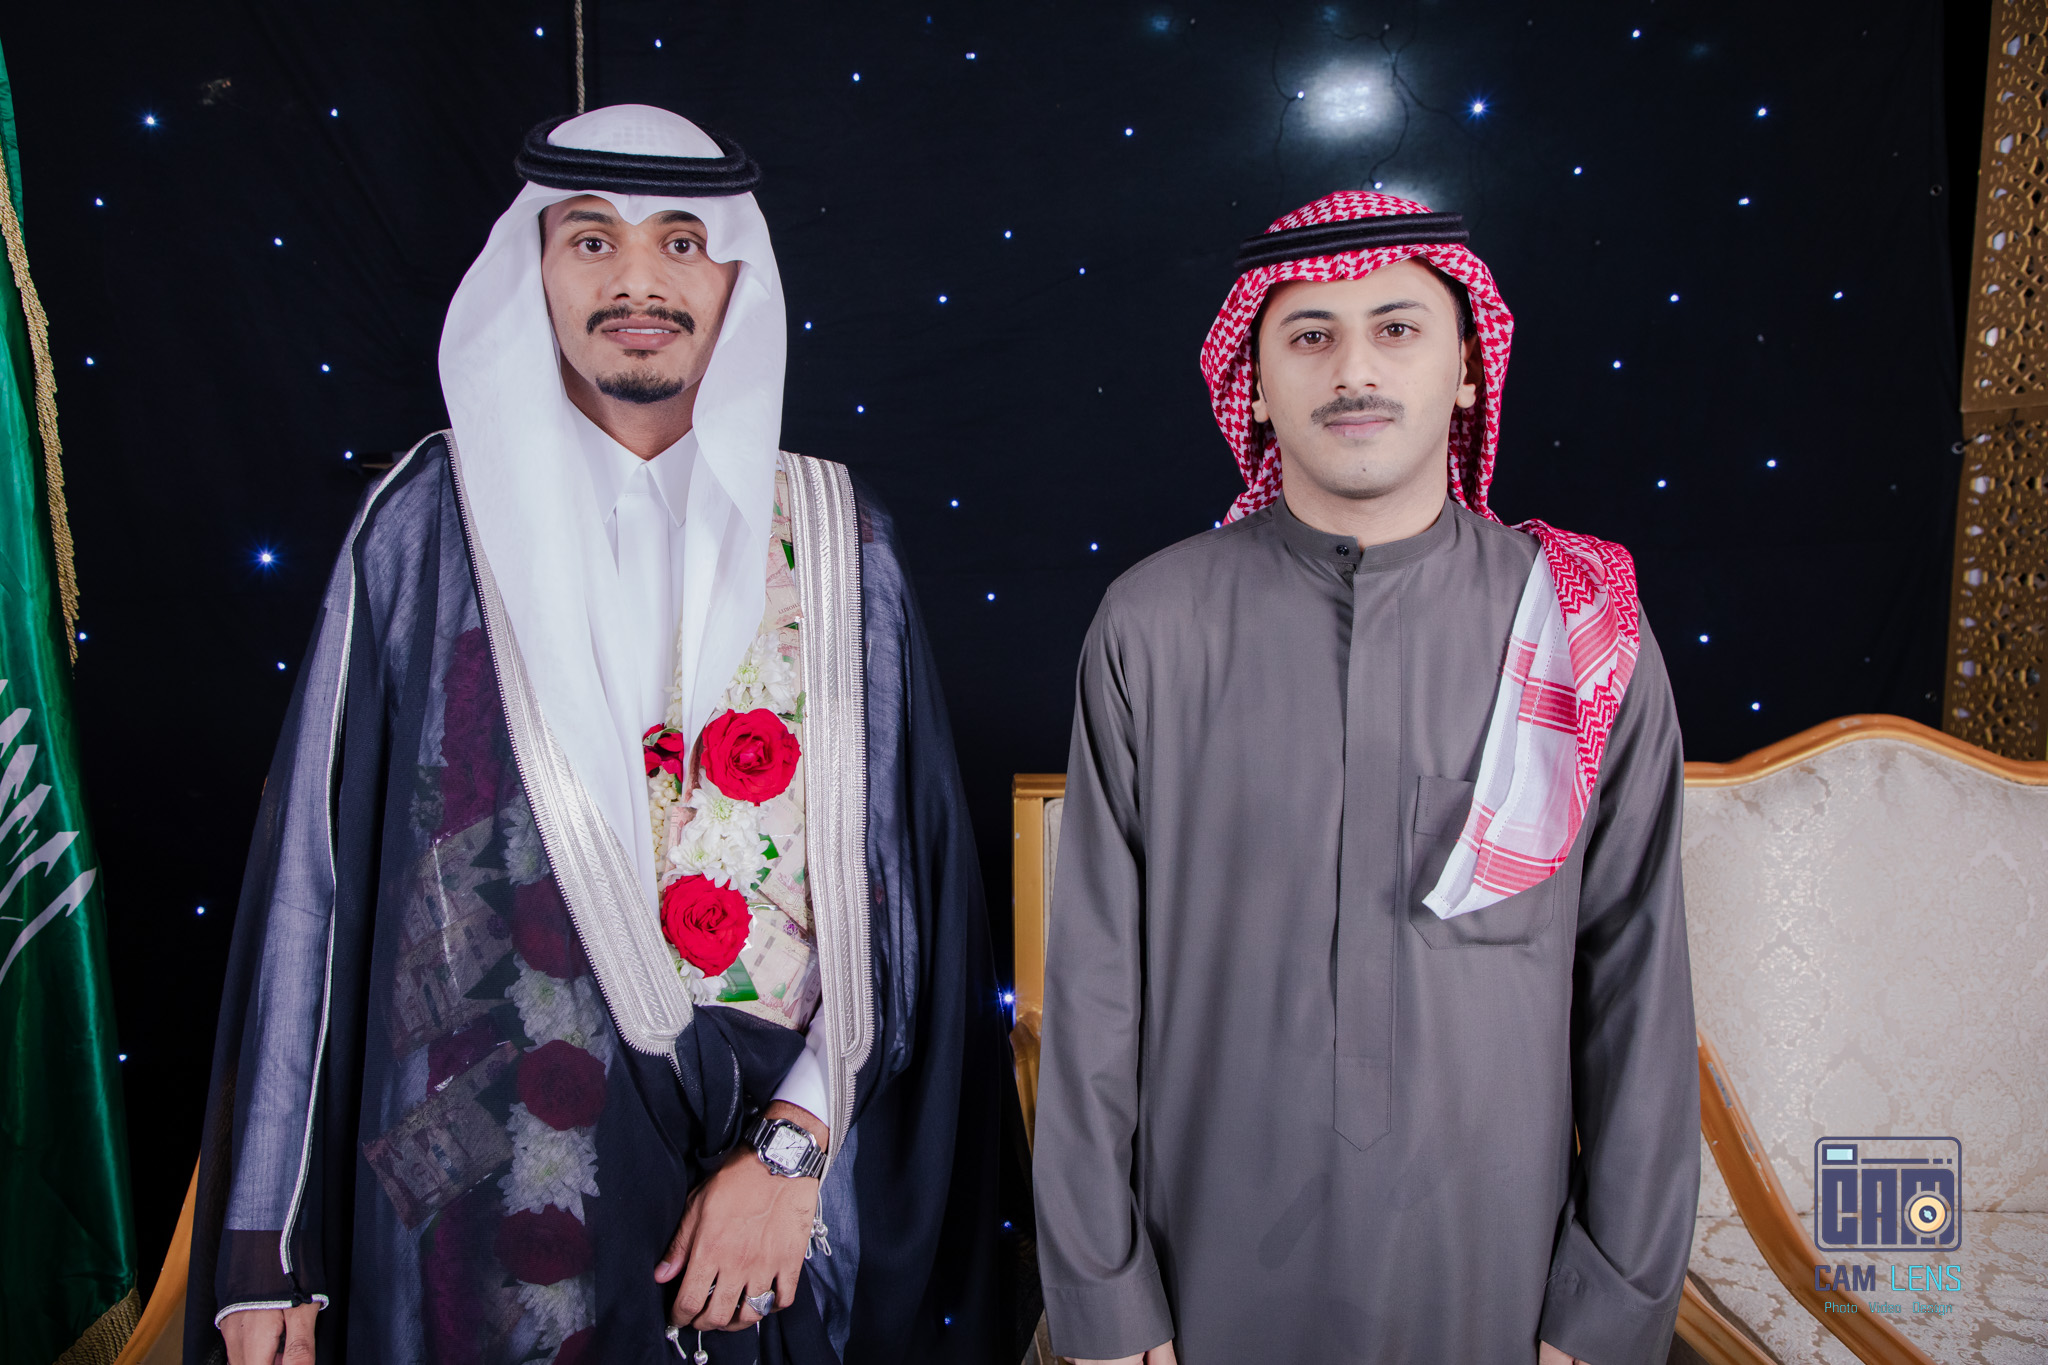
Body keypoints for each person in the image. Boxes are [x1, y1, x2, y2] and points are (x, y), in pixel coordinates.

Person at [188, 105, 1010, 1365]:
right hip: (496, 1211)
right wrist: (268, 1249)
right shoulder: (428, 522)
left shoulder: (839, 537)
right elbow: (316, 887)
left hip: (772, 1228)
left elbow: (907, 902)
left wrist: (789, 1159)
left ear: (734, 276)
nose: (638, 281)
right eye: (590, 239)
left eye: (680, 242)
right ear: (534, 268)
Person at [1032, 192, 1698, 1364]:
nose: (1353, 370)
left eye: (1396, 328)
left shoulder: (1581, 632)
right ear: (1255, 381)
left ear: (1465, 371)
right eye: (1309, 335)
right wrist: (1102, 1299)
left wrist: (1608, 1309)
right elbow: (1092, 991)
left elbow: (1636, 993)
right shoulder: (1150, 625)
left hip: (1497, 1288)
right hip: (1201, 1286)